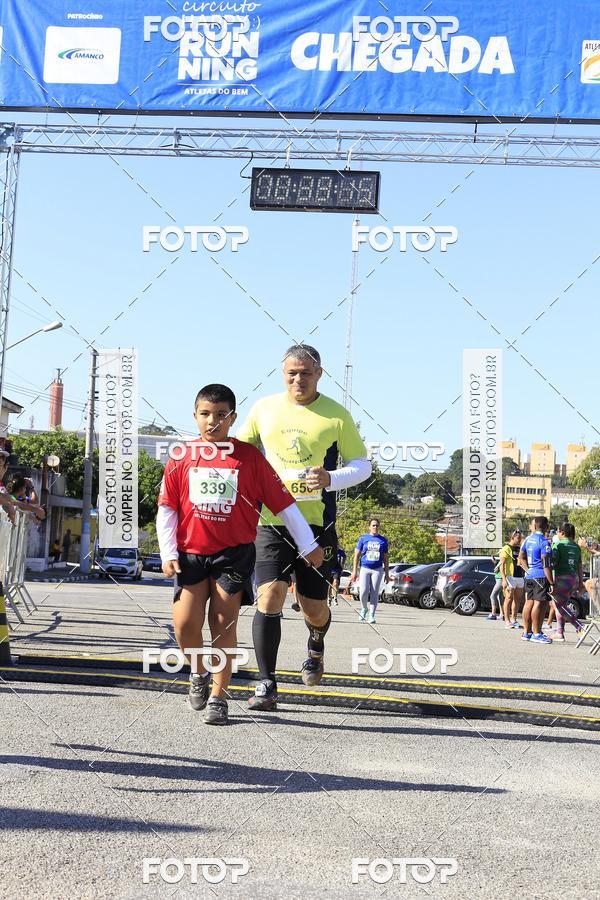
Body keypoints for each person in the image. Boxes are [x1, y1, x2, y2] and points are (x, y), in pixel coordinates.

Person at [157, 383, 324, 725]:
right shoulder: (181, 457)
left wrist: (308, 544)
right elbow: (167, 508)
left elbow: (285, 505)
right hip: (190, 553)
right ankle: (199, 672)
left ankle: (219, 695)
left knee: (222, 623)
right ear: (195, 416)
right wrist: (167, 551)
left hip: (233, 555)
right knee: (185, 625)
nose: (212, 422)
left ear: (232, 418)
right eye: (205, 414)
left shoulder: (249, 458)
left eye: (220, 415)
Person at [237, 344, 371, 711]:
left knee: (312, 607)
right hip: (271, 522)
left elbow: (363, 465)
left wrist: (330, 477)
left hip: (316, 526)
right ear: (283, 374)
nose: (298, 379)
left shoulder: (336, 415)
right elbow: (240, 455)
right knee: (269, 597)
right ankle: (267, 683)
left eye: (306, 373)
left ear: (319, 374)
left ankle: (316, 640)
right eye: (291, 373)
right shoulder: (263, 409)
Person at [518, 516, 553, 645]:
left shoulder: (527, 539)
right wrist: (552, 581)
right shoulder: (544, 542)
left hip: (530, 575)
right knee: (539, 604)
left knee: (529, 602)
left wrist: (528, 570)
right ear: (546, 527)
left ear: (535, 526)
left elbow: (521, 558)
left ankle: (527, 632)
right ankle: (537, 633)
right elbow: (546, 564)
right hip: (540, 576)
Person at [550, 522, 584, 642]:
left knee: (559, 606)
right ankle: (560, 632)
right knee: (559, 605)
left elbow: (552, 563)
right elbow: (580, 566)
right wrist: (580, 583)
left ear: (562, 533)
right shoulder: (576, 547)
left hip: (561, 579)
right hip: (573, 579)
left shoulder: (557, 545)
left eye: (557, 531)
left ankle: (579, 627)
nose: (556, 534)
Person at [351, 519, 389, 624]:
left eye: (377, 525)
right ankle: (364, 608)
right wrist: (354, 571)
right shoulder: (363, 539)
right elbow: (356, 556)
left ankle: (372, 615)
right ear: (369, 527)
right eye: (373, 525)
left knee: (374, 592)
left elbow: (386, 558)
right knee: (363, 591)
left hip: (377, 569)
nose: (375, 527)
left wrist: (387, 573)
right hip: (365, 568)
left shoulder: (383, 540)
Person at [500, 530, 524, 629]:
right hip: (510, 577)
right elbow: (502, 565)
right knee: (508, 599)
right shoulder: (506, 548)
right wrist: (504, 579)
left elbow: (521, 561)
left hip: (519, 576)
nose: (519, 540)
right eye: (518, 538)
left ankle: (514, 619)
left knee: (517, 599)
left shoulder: (519, 549)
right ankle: (507, 620)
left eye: (520, 538)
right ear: (512, 537)